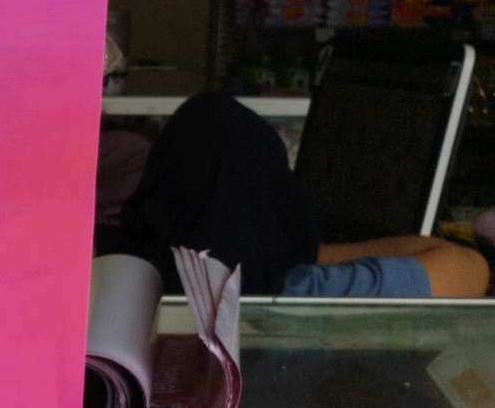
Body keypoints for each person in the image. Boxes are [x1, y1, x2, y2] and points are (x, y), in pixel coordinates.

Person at [104, 92, 489, 299]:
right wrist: (296, 247)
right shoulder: (280, 289)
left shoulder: (127, 260)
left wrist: (295, 246)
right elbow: (468, 270)